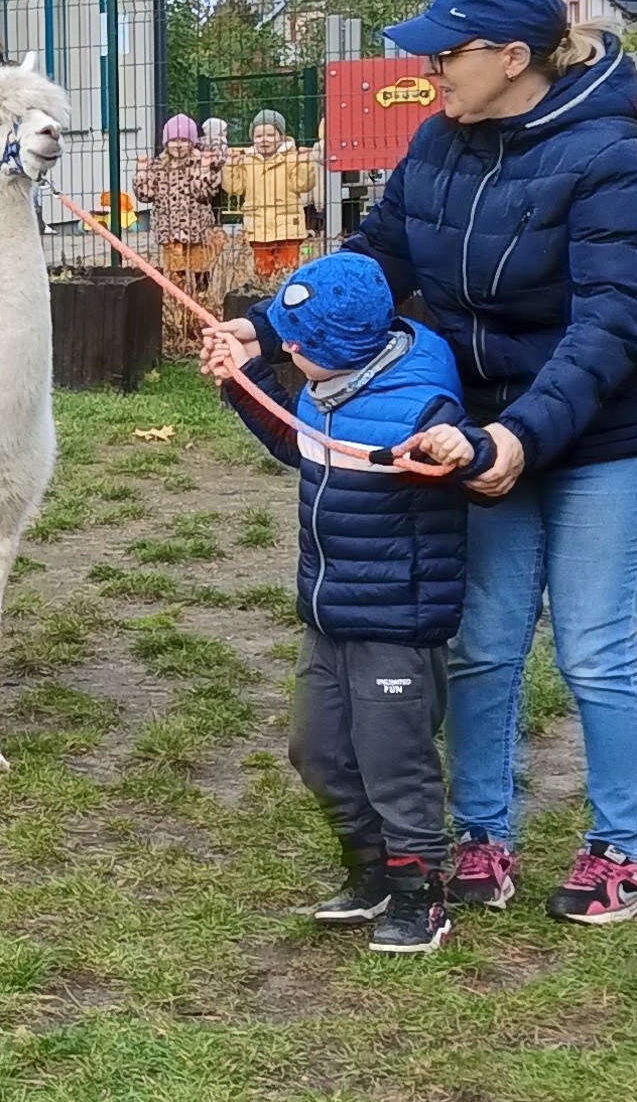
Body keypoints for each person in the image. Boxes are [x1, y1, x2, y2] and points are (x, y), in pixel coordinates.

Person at [356, 0, 637, 928]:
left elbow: (614, 324)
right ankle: (483, 835)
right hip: (487, 428)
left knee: (594, 649)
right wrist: (270, 323)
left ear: (513, 57)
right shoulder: (439, 141)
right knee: (485, 644)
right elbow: (379, 255)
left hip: (609, 431)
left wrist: (521, 433)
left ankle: (618, 848)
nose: (428, 70)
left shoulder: (617, 160)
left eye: (445, 53)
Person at [196, 251, 476, 955]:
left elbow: (459, 453)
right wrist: (242, 380)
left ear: (341, 348)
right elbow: (302, 445)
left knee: (394, 761)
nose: (285, 350)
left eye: (296, 345)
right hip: (328, 613)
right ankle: (372, 869)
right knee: (315, 750)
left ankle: (421, 895)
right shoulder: (333, 387)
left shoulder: (420, 404)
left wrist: (460, 446)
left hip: (395, 623)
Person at [135, 114, 221, 302]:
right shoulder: (159, 165)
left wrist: (204, 169)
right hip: (169, 231)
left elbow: (204, 193)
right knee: (176, 274)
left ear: (192, 142)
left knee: (200, 270)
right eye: (174, 140)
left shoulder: (198, 162)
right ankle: (179, 306)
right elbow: (145, 195)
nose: (179, 145)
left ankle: (201, 302)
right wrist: (142, 172)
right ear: (166, 143)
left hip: (196, 230)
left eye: (184, 140)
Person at [232, 111, 318, 293]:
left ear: (281, 136)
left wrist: (305, 163)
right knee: (262, 275)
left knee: (289, 273)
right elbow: (234, 187)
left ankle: (287, 300)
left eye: (271, 135)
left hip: (288, 228)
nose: (264, 140)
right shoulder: (247, 160)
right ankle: (265, 300)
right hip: (258, 228)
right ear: (252, 138)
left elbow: (304, 184)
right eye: (258, 136)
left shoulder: (292, 157)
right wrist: (230, 165)